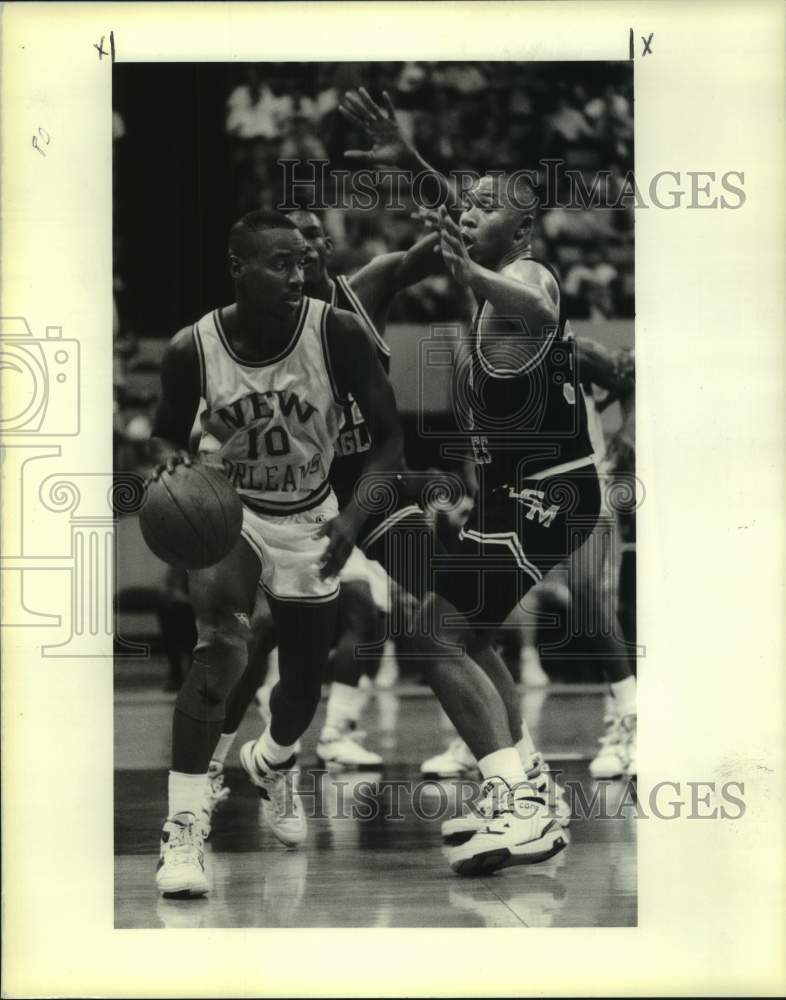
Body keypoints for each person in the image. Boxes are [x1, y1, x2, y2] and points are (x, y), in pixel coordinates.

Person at [340, 89, 600, 875]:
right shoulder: (486, 254)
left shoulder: (528, 276)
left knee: (433, 635)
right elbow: (459, 210)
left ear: (519, 228)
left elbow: (541, 311)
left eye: (487, 205)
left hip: (549, 494)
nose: (467, 210)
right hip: (511, 496)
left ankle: (521, 808)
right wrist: (409, 159)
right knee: (459, 631)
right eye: (469, 202)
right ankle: (528, 789)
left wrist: (466, 267)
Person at [149, 209, 404, 898]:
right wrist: (171, 470)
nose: (298, 273)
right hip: (229, 511)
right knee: (223, 642)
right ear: (238, 268)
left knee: (299, 691)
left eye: (301, 261)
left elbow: (389, 442)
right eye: (280, 263)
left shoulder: (337, 333)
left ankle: (274, 761)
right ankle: (183, 824)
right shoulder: (190, 348)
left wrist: (355, 516)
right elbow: (167, 435)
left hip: (312, 517)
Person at [197, 209, 440, 816]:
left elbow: (442, 251)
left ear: (325, 245)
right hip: (292, 498)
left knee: (412, 614)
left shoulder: (361, 297)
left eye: (308, 234)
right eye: (285, 243)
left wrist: (431, 182)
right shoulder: (263, 322)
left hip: (362, 493)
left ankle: (322, 739)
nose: (299, 246)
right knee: (256, 638)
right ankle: (215, 764)